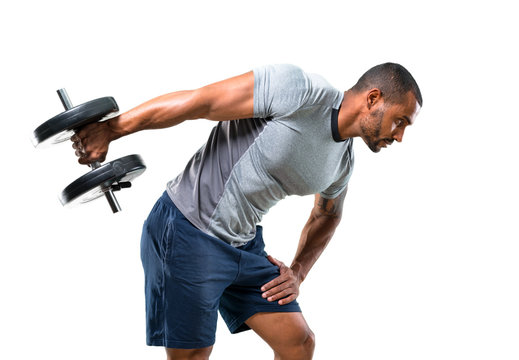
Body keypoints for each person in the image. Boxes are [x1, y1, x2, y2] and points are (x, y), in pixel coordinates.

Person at [71, 63, 422, 360]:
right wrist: (111, 129)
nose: (401, 136)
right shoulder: (300, 91)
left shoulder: (343, 162)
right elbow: (201, 102)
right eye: (400, 121)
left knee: (299, 344)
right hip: (188, 230)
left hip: (244, 244)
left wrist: (298, 272)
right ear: (373, 99)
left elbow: (327, 215)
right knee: (194, 355)